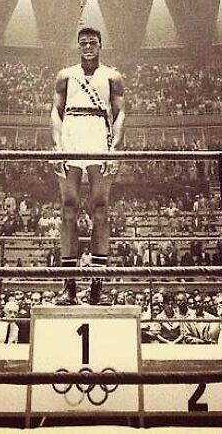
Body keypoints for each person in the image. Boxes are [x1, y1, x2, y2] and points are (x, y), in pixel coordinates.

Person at [50, 26, 125, 306]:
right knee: (68, 209)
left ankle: (97, 287)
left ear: (101, 45)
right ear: (78, 46)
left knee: (101, 210)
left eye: (92, 42)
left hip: (98, 134)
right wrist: (58, 146)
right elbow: (55, 112)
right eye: (83, 42)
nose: (88, 46)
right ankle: (68, 286)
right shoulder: (65, 75)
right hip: (71, 133)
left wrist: (114, 149)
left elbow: (120, 113)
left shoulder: (112, 76)